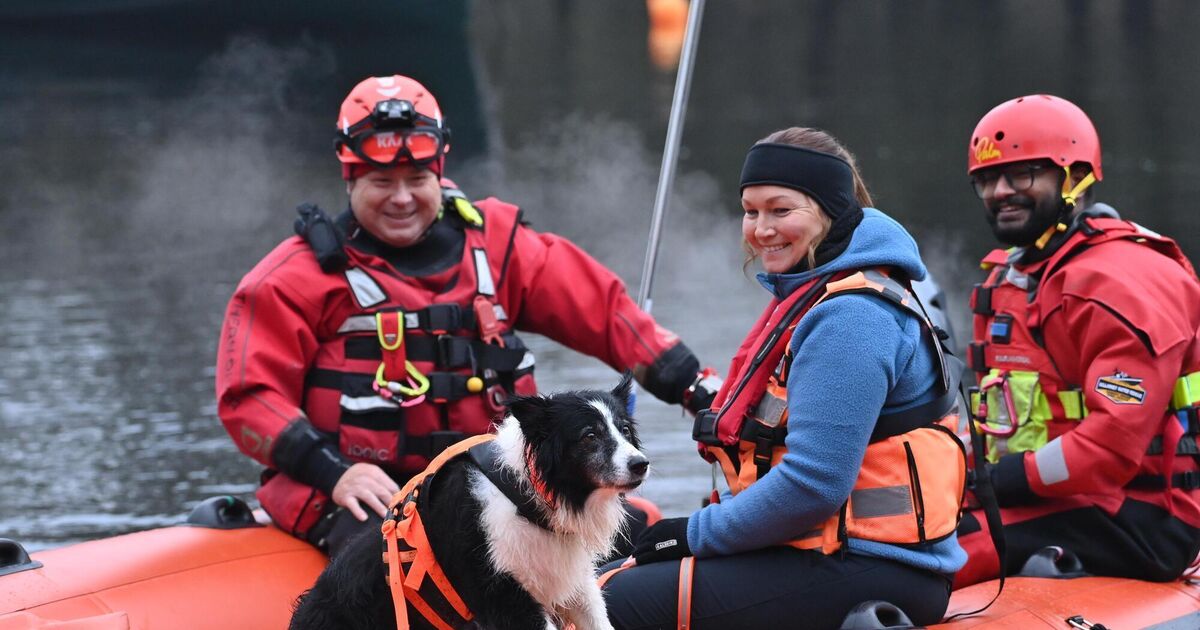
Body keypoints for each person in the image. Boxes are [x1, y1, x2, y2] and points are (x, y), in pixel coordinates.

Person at [215, 74, 718, 557]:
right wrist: (332, 471)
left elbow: (605, 313)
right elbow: (248, 398)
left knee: (644, 534)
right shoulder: (292, 278)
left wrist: (694, 387)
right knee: (407, 567)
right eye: (381, 181)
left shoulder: (498, 246)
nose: (402, 197)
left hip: (490, 478)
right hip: (358, 491)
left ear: (440, 171)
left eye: (417, 179)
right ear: (349, 177)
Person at [601, 128, 967, 629]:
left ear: (831, 212)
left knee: (607, 603)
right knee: (604, 569)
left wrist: (692, 533)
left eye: (781, 210)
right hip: (825, 551)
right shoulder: (817, 296)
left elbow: (815, 486)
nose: (761, 228)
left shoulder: (851, 318)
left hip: (876, 568)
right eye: (751, 211)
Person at [955, 94, 1200, 588]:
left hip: (1142, 516)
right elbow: (1005, 422)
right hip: (1054, 495)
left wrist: (996, 483)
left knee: (933, 552)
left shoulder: (1124, 282)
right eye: (987, 179)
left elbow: (1111, 446)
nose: (1000, 191)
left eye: (1022, 175)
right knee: (891, 518)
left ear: (1074, 178)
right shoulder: (1016, 276)